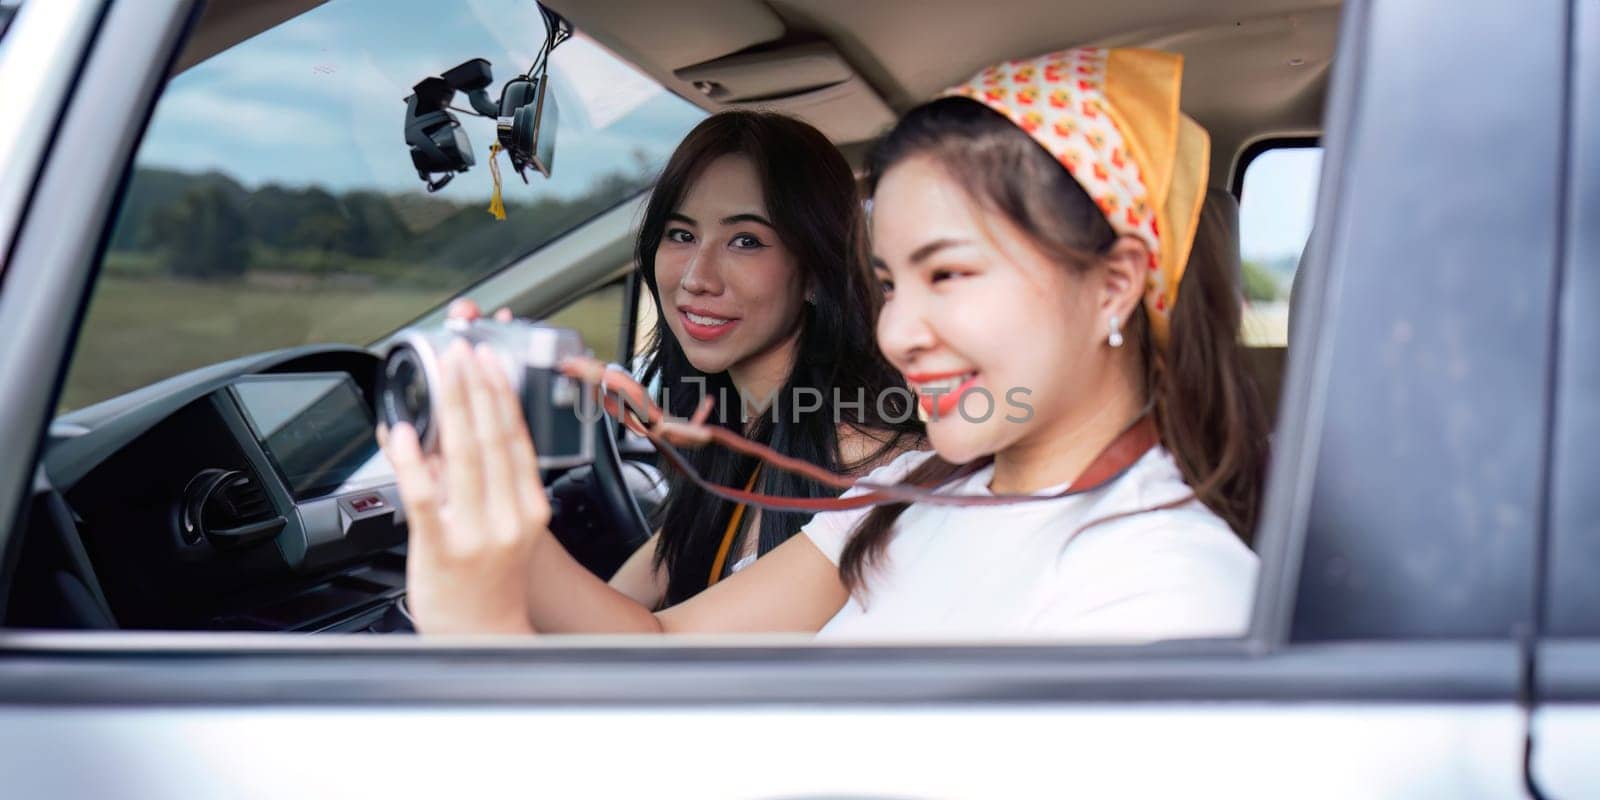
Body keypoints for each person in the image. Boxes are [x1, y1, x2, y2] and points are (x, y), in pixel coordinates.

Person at [385, 47, 1269, 640]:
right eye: (889, 284)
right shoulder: (921, 491)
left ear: (1113, 284)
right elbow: (668, 672)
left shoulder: (1164, 594)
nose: (899, 331)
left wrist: (481, 616)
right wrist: (488, 538)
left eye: (950, 274)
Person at [441, 110, 922, 616]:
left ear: (815, 273)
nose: (696, 277)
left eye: (746, 241)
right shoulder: (737, 447)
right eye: (681, 234)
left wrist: (494, 495)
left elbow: (647, 647)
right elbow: (614, 612)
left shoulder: (873, 465)